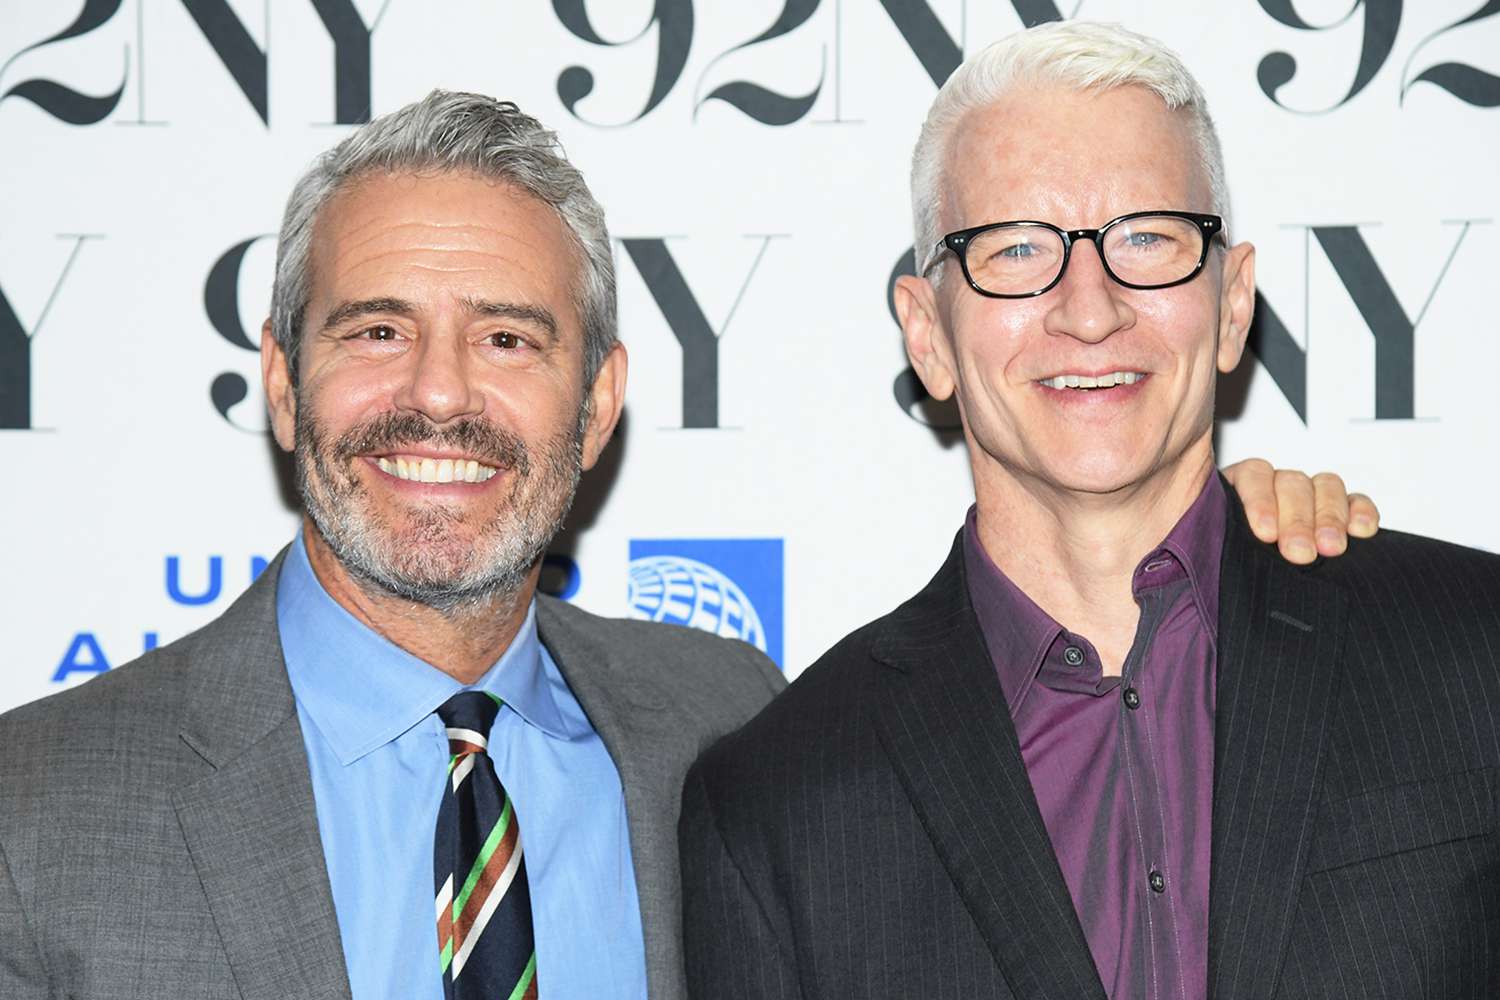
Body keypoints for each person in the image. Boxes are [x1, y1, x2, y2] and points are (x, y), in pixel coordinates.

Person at [0, 91, 1369, 1000]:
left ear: (597, 402)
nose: (438, 393)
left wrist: (1218, 536)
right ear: (284, 385)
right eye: (373, 329)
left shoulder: (731, 731)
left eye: (509, 337)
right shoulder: (38, 812)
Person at [679, 21, 1500, 1000]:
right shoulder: (779, 802)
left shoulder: (1473, 651)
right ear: (928, 334)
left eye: (1146, 238)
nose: (1090, 306)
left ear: (1232, 305)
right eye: (1018, 249)